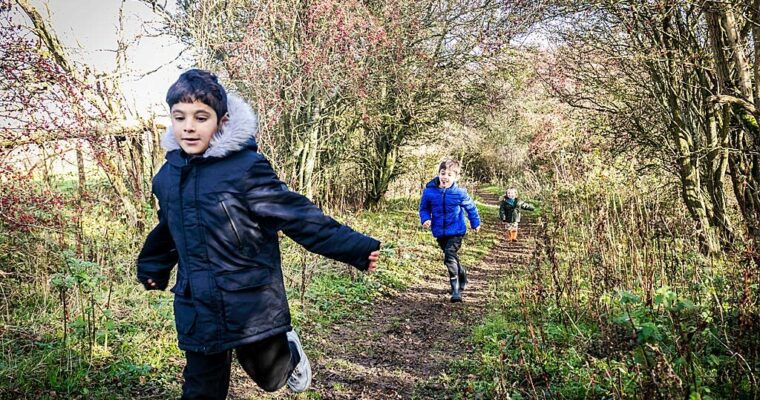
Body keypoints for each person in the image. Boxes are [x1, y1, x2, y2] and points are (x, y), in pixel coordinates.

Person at [136, 69, 381, 399]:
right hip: (198, 303)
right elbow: (169, 227)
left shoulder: (245, 168)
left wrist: (356, 248)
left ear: (221, 121)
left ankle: (289, 352)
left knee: (270, 377)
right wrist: (153, 265)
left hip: (250, 300)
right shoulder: (167, 176)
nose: (189, 127)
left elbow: (297, 216)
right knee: (200, 389)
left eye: (200, 117)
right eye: (179, 117)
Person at [418, 159, 481, 302]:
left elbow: (471, 208)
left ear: (456, 177)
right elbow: (424, 209)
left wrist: (475, 223)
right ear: (438, 174)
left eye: (449, 174)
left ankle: (455, 290)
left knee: (449, 256)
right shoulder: (429, 192)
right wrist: (425, 219)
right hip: (439, 232)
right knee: (450, 256)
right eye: (443, 173)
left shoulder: (460, 193)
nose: (445, 177)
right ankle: (461, 272)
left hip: (456, 230)